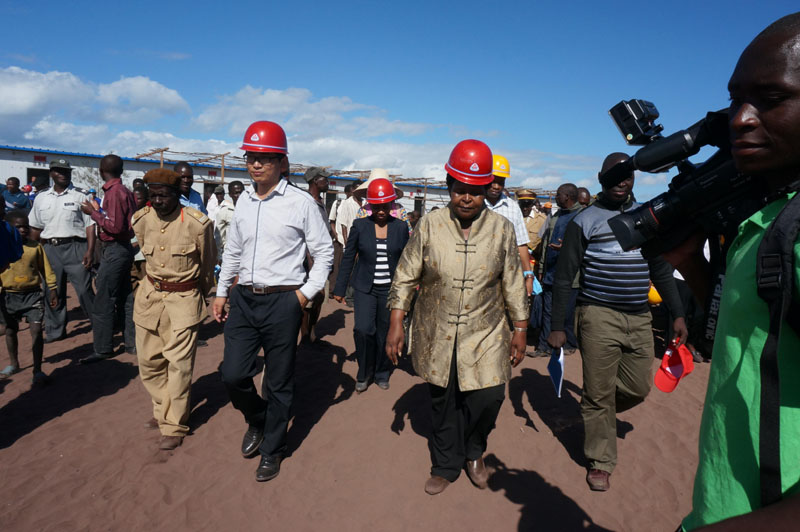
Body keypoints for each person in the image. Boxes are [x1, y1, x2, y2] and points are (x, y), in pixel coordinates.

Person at [675, 12, 800, 530]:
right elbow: (747, 337)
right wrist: (688, 263)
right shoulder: (769, 216)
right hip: (724, 505)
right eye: (735, 99)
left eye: (771, 98)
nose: (740, 119)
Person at [386, 139, 528, 495]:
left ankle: (475, 450)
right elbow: (405, 275)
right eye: (459, 189)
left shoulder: (502, 229)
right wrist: (396, 322)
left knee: (489, 396)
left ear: (487, 190)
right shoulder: (430, 225)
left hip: (487, 329)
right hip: (438, 327)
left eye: (475, 192)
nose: (467, 198)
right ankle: (446, 464)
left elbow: (513, 280)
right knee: (444, 399)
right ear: (449, 186)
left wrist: (521, 327)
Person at [546, 153, 688, 492]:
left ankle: (597, 411)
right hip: (598, 315)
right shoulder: (585, 220)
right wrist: (557, 326)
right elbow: (565, 277)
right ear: (601, 178)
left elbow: (660, 270)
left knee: (638, 388)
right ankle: (601, 460)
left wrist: (678, 313)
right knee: (598, 393)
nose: (622, 181)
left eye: (628, 175)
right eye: (615, 174)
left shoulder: (646, 218)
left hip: (639, 316)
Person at [213, 120, 333, 482]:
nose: (256, 164)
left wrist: (303, 295)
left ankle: (273, 449)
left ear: (282, 162)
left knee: (278, 382)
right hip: (245, 299)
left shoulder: (301, 203)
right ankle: (258, 418)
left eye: (265, 158)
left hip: (283, 301)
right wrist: (222, 292)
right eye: (251, 157)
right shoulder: (243, 201)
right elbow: (233, 251)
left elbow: (324, 253)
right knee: (233, 374)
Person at [132, 168, 216, 451]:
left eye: (163, 195)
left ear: (177, 194)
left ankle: (174, 425)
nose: (157, 201)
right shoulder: (141, 219)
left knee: (179, 366)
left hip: (184, 301)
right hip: (149, 299)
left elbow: (207, 265)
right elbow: (144, 254)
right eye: (153, 195)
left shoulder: (197, 224)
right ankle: (162, 410)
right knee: (149, 363)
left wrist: (198, 295)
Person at [334, 177, 409, 392]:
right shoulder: (360, 226)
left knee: (384, 332)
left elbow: (407, 261)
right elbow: (349, 257)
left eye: (385, 206)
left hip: (390, 290)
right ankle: (364, 371)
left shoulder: (400, 227)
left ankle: (382, 372)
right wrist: (340, 288)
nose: (381, 211)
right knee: (363, 329)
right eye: (377, 206)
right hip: (365, 288)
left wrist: (411, 290)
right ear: (370, 205)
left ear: (391, 204)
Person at [28, 159, 96, 343]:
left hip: (76, 248)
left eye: (66, 171)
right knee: (53, 291)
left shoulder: (81, 195)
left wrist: (90, 251)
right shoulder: (41, 198)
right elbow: (35, 227)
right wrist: (30, 254)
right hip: (50, 249)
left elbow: (90, 225)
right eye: (58, 171)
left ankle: (100, 325)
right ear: (51, 173)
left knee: (84, 290)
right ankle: (55, 331)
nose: (63, 174)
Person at [79, 154, 137, 363]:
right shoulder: (125, 192)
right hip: (123, 248)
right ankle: (131, 343)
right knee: (125, 297)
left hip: (115, 249)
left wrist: (92, 213)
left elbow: (115, 226)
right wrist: (99, 211)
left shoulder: (115, 193)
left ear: (101, 171)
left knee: (103, 300)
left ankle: (103, 348)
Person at [0, 211, 57, 383]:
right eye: (18, 227)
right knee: (10, 330)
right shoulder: (3, 248)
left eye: (26, 226)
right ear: (8, 228)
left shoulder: (35, 247)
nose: (23, 230)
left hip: (32, 294)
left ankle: (37, 370)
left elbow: (46, 269)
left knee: (37, 331)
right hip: (9, 295)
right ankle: (14, 363)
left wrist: (52, 288)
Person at [533, 183, 583, 357]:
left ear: (567, 197)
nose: (555, 197)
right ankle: (544, 346)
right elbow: (546, 243)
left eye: (558, 195)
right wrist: (542, 267)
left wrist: (566, 248)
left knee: (566, 313)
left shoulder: (581, 217)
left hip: (570, 277)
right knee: (547, 311)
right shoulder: (556, 216)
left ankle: (568, 344)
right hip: (550, 273)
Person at [486, 155, 534, 296]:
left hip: (504, 275)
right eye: (493, 181)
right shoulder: (474, 204)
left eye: (501, 182)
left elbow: (521, 243)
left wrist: (528, 275)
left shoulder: (512, 207)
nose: (496, 186)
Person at [301, 166, 334, 343]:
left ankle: (312, 332)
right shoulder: (305, 202)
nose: (327, 183)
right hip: (308, 260)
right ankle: (305, 335)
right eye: (324, 180)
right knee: (308, 298)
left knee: (320, 297)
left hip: (321, 258)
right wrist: (310, 260)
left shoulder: (321, 203)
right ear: (315, 181)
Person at [327, 183, 350, 298]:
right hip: (339, 241)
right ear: (346, 193)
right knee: (336, 267)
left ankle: (345, 292)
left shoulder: (362, 205)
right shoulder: (338, 204)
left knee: (347, 268)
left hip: (352, 241)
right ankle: (332, 290)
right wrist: (336, 235)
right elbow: (332, 221)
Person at [214, 180, 244, 261]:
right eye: (236, 193)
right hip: (231, 255)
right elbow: (219, 237)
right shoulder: (225, 211)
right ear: (230, 194)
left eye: (241, 192)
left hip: (247, 254)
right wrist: (219, 257)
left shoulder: (251, 211)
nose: (239, 195)